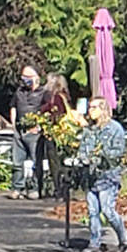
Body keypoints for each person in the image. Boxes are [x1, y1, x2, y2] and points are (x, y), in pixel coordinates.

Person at [74, 97, 127, 252]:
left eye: (94, 107)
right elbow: (83, 149)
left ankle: (125, 240)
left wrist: (101, 157)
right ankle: (94, 244)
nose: (90, 111)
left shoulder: (115, 129)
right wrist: (82, 159)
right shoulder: (90, 130)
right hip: (91, 178)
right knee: (93, 212)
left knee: (108, 210)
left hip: (108, 177)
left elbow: (118, 153)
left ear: (103, 109)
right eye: (90, 107)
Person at [8, 65, 46, 199]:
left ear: (36, 78)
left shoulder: (44, 93)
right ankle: (17, 188)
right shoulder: (19, 91)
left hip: (34, 133)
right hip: (19, 131)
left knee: (36, 162)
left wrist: (40, 126)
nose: (24, 80)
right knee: (17, 163)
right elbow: (13, 106)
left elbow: (47, 111)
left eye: (28, 77)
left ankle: (34, 188)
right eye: (23, 77)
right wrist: (13, 125)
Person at [40, 73, 73, 204]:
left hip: (54, 134)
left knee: (55, 163)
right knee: (64, 162)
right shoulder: (66, 97)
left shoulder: (54, 98)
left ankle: (59, 189)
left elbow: (51, 113)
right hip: (65, 135)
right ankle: (65, 188)